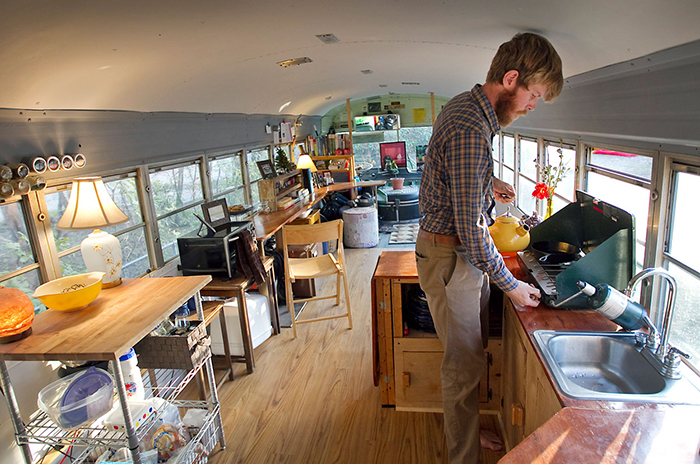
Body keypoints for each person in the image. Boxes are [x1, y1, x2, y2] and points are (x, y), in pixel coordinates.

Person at [415, 32, 563, 464]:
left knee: (469, 358)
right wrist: (511, 287)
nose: (532, 106)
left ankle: (467, 429)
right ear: (511, 78)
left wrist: (488, 182)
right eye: (532, 95)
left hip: (458, 256)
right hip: (452, 256)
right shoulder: (470, 125)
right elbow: (472, 229)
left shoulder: (468, 106)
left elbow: (447, 169)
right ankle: (463, 457)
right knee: (462, 367)